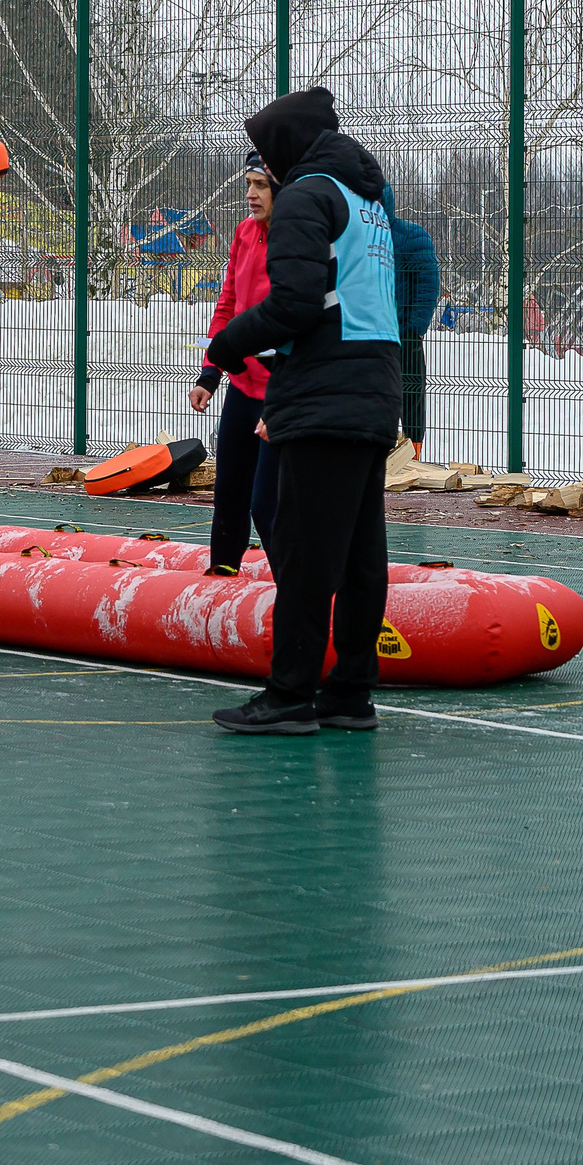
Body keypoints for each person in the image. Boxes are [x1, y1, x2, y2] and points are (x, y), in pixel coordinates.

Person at [204, 87, 400, 735]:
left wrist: (228, 343)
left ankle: (289, 692)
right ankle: (350, 690)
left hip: (325, 391)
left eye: (266, 152)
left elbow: (292, 303)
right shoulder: (366, 199)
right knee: (360, 556)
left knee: (306, 554)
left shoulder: (305, 197)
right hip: (374, 386)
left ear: (285, 147)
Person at [190, 154, 279, 576]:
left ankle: (298, 594)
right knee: (228, 492)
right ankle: (222, 577)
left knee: (269, 504)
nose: (249, 194)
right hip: (243, 389)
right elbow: (228, 305)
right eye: (248, 184)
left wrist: (285, 390)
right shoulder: (244, 233)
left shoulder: (295, 239)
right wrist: (211, 372)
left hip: (281, 393)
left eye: (259, 185)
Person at [383, 182, 439, 454]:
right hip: (372, 336)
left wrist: (414, 327)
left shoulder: (411, 237)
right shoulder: (357, 239)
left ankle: (413, 456)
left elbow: (427, 286)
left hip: (404, 334)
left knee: (412, 397)